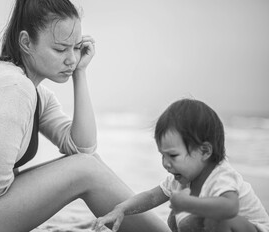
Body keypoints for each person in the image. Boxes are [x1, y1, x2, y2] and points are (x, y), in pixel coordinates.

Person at [0, 0, 171, 231]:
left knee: (87, 165)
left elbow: (83, 149)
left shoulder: (32, 91)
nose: (71, 58)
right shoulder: (14, 88)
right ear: (26, 42)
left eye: (76, 48)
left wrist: (80, 73)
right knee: (85, 171)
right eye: (60, 49)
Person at [92, 98, 269, 232]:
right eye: (162, 155)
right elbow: (151, 197)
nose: (165, 163)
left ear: (205, 151)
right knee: (176, 218)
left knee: (216, 218)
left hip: (249, 228)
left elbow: (230, 208)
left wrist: (189, 204)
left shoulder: (221, 176)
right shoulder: (180, 179)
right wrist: (121, 209)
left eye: (173, 155)